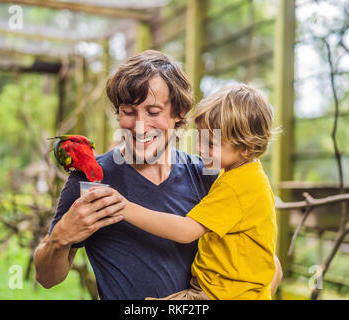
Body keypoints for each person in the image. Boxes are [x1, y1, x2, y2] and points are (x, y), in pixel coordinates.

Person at [34, 50, 282, 299]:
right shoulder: (90, 181)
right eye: (128, 111)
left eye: (153, 112)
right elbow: (46, 278)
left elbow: (269, 268)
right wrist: (59, 239)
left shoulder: (208, 176)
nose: (140, 126)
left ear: (179, 113)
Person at [114, 83, 278, 300]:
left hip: (219, 295)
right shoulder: (251, 176)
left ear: (245, 147)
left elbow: (186, 231)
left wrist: (123, 207)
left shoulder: (236, 185)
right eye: (200, 138)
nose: (200, 149)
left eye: (211, 143)